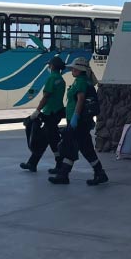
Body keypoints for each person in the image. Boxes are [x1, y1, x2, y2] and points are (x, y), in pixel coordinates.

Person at [49, 57, 108, 186]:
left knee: (77, 146)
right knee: (79, 146)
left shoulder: (81, 82)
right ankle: (96, 173)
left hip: (79, 121)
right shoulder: (83, 81)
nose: (72, 70)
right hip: (80, 121)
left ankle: (67, 175)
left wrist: (75, 117)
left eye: (74, 68)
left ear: (80, 70)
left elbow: (80, 100)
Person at [20, 56, 67, 172]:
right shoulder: (61, 79)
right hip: (57, 111)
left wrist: (37, 111)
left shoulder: (51, 78)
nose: (48, 66)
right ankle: (33, 163)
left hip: (49, 112)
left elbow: (46, 96)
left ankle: (59, 164)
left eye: (49, 65)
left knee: (52, 139)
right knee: (46, 138)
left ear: (52, 66)